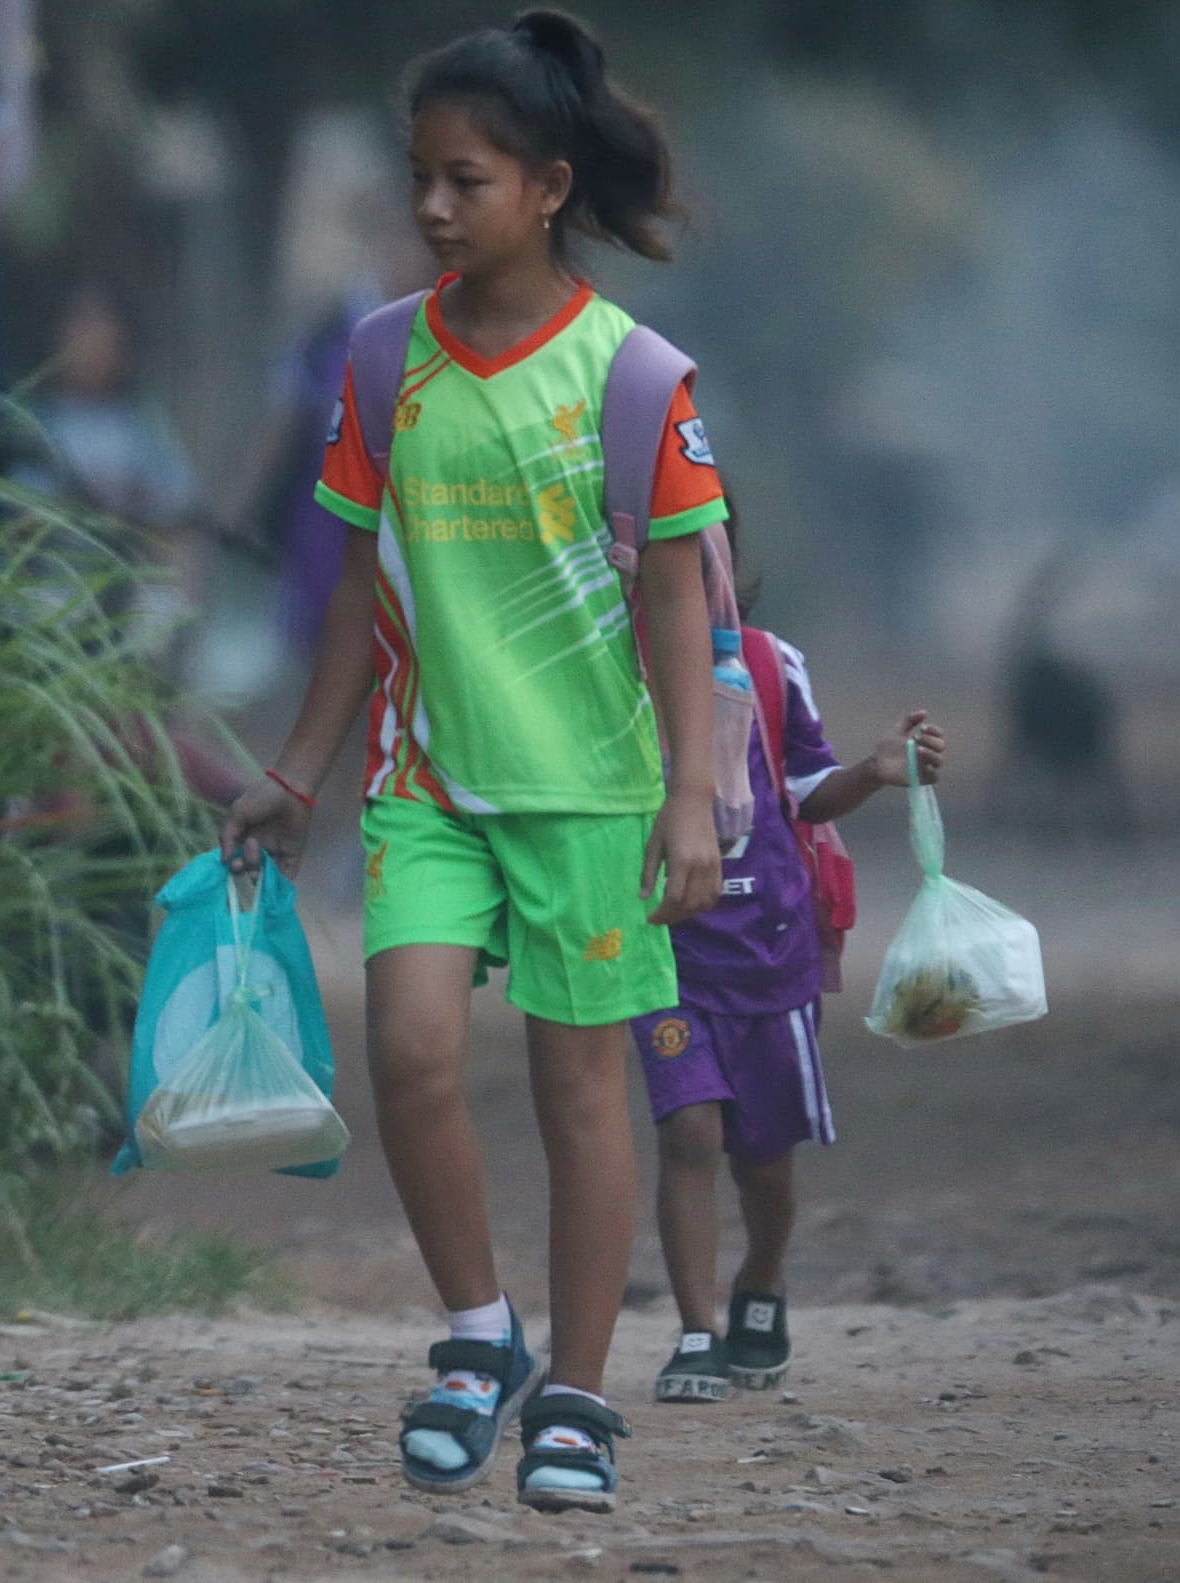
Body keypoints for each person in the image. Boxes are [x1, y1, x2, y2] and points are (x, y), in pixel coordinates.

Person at [221, 9, 726, 1514]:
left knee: (584, 1092)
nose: (435, 207)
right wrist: (296, 772)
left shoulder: (637, 379)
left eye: (468, 180)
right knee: (413, 1046)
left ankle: (576, 1392)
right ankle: (477, 1334)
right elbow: (357, 598)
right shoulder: (385, 363)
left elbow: (684, 592)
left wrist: (693, 792)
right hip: (428, 784)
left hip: (590, 794)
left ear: (550, 185)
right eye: (421, 178)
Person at [632, 513, 947, 1403]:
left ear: (721, 558)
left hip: (770, 946)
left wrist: (876, 770)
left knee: (763, 1157)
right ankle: (697, 1331)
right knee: (688, 1133)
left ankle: (761, 1278)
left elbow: (805, 792)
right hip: (661, 949)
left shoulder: (770, 664)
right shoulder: (606, 672)